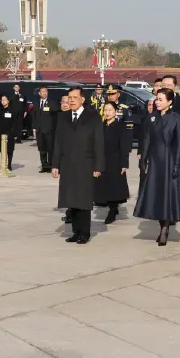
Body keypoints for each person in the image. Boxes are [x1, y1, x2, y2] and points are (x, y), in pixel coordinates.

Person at [134, 89, 180, 246]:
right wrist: (143, 160)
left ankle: (165, 229)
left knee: (168, 196)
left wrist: (178, 163)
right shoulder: (151, 117)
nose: (157, 102)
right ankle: (162, 225)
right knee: (157, 196)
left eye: (160, 99)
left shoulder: (176, 118)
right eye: (156, 99)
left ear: (169, 101)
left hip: (170, 159)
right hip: (155, 160)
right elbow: (146, 140)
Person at [53, 88, 104, 244]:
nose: (72, 100)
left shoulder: (92, 117)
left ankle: (84, 233)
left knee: (83, 199)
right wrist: (55, 164)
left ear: (83, 99)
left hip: (85, 164)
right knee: (71, 199)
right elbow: (58, 142)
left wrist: (98, 166)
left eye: (75, 97)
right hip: (68, 163)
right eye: (69, 97)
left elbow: (99, 143)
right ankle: (75, 231)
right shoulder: (63, 117)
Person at [94, 101, 131, 224]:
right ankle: (108, 205)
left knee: (114, 186)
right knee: (103, 185)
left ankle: (113, 209)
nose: (107, 112)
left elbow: (124, 146)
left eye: (110, 110)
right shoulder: (100, 125)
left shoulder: (120, 126)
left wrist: (124, 163)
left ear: (115, 112)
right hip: (102, 159)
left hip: (115, 160)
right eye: (105, 110)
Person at [0, 92, 22, 169]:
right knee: (2, 149)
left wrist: (16, 134)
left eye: (5, 100)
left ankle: (9, 164)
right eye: (2, 100)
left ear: (8, 101)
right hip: (0, 133)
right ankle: (3, 163)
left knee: (9, 149)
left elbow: (16, 123)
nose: (3, 101)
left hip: (9, 133)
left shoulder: (12, 110)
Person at [33, 86, 56, 172]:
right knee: (42, 149)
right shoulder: (36, 103)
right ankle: (44, 166)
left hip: (49, 130)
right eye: (42, 91)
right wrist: (34, 128)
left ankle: (51, 166)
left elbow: (55, 114)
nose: (44, 93)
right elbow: (34, 116)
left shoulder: (52, 102)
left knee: (50, 149)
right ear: (39, 93)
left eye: (46, 91)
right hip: (39, 130)